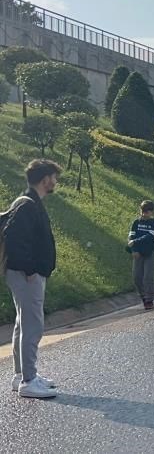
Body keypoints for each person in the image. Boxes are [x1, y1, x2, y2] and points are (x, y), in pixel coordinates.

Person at [4, 159, 61, 399]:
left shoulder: (26, 201)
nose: (56, 182)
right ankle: (29, 380)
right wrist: (30, 270)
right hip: (26, 275)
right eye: (54, 177)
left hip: (23, 273)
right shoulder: (28, 205)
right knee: (32, 325)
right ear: (45, 179)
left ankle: (22, 375)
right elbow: (16, 239)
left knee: (22, 323)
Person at [127, 200, 154, 310]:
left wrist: (135, 242)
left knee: (147, 276)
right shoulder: (136, 222)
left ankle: (149, 299)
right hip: (138, 252)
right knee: (137, 277)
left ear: (151, 212)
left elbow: (149, 236)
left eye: (147, 212)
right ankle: (143, 296)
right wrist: (134, 250)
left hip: (150, 251)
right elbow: (131, 236)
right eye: (142, 211)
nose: (144, 214)